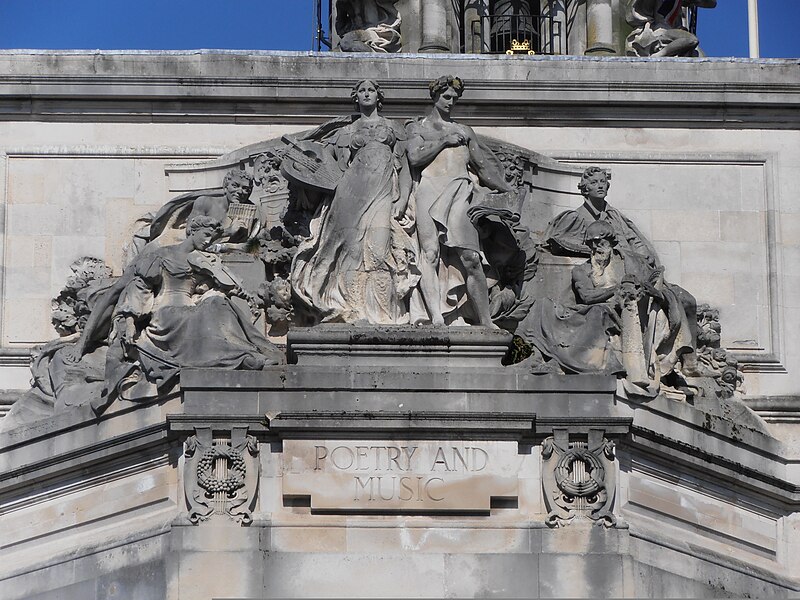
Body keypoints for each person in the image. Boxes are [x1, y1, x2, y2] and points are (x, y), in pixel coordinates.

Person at [98, 215, 283, 410]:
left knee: (219, 305)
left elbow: (218, 285)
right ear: (192, 232)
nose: (207, 241)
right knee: (200, 317)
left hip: (191, 307)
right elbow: (140, 288)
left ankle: (242, 353)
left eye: (212, 239)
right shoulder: (163, 255)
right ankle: (237, 357)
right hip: (165, 313)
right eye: (205, 235)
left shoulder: (202, 260)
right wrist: (129, 322)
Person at [544, 166, 697, 376]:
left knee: (686, 300)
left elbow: (639, 244)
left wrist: (641, 260)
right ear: (584, 189)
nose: (600, 185)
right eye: (594, 182)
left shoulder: (616, 217)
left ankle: (689, 359)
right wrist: (598, 251)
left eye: (603, 182)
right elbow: (555, 242)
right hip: (609, 277)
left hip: (636, 271)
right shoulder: (575, 217)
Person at [291, 79, 417, 324]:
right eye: (362, 90)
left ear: (378, 96)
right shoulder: (346, 131)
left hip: (382, 192)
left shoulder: (393, 128)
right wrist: (303, 164)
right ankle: (351, 309)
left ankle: (383, 313)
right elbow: (329, 169)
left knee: (379, 251)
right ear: (356, 97)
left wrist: (401, 198)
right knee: (351, 250)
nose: (367, 94)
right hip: (351, 191)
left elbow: (404, 169)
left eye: (371, 90)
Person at [405, 75, 514, 326]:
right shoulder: (418, 127)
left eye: (454, 98)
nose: (450, 102)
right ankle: (435, 317)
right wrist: (443, 140)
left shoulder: (465, 131)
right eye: (446, 97)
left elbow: (483, 167)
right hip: (429, 191)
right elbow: (414, 158)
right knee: (429, 253)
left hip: (459, 192)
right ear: (435, 97)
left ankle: (485, 319)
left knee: (472, 258)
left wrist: (507, 189)